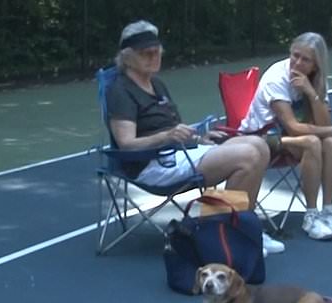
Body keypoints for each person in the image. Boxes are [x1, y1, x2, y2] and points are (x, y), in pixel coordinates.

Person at [107, 21, 285, 255]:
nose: (154, 57)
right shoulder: (120, 90)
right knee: (248, 155)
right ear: (128, 57)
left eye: (157, 51)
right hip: (152, 164)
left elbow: (172, 129)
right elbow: (127, 144)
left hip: (179, 153)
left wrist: (199, 138)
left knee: (259, 145)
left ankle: (243, 229)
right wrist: (167, 136)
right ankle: (224, 236)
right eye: (146, 54)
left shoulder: (156, 83)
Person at [238, 33, 332, 240]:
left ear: (316, 65)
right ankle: (310, 216)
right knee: (313, 142)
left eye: (306, 59)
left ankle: (327, 211)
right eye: (295, 55)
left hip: (288, 137)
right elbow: (294, 127)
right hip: (260, 138)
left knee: (330, 143)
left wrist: (312, 93)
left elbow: (324, 125)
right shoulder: (276, 78)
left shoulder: (316, 80)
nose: (298, 63)